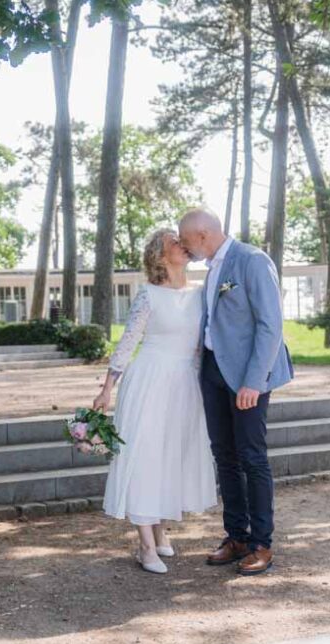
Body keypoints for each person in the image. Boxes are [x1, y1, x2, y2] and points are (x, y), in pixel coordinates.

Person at [92, 227, 217, 574]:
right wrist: (107, 388)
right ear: (161, 257)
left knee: (170, 457)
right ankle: (146, 547)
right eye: (173, 243)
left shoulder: (200, 293)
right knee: (145, 457)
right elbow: (128, 341)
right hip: (149, 380)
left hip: (184, 383)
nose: (182, 245)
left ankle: (161, 530)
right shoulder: (148, 295)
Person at [177, 207, 293, 576]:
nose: (184, 247)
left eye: (185, 240)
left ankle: (262, 543)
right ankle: (236, 536)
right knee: (224, 457)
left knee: (252, 457)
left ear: (202, 235)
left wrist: (254, 381)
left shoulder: (252, 261)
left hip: (247, 377)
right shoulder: (212, 269)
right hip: (213, 372)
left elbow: (271, 325)